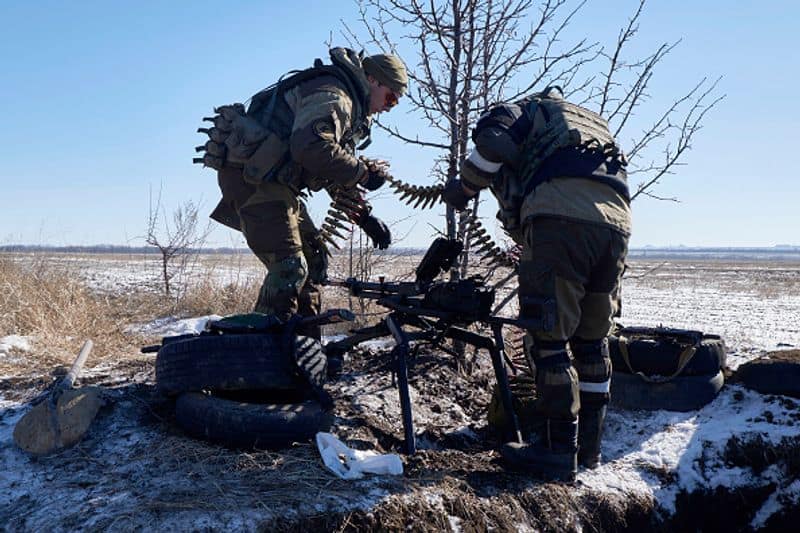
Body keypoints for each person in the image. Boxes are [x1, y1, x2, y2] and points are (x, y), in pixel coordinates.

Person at [441, 86, 631, 481]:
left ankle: (556, 449)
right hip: (615, 227)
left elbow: (491, 145)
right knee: (593, 342)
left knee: (548, 339)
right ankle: (588, 448)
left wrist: (463, 187)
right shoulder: (591, 123)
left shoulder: (522, 111)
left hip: (560, 220)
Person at [196, 48, 407, 339]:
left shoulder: (349, 106)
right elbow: (310, 147)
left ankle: (304, 354)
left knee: (314, 261)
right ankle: (256, 357)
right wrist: (361, 173)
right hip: (252, 180)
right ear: (372, 80)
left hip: (275, 183)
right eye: (391, 97)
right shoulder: (335, 96)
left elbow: (330, 165)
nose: (389, 107)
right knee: (289, 267)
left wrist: (364, 217)